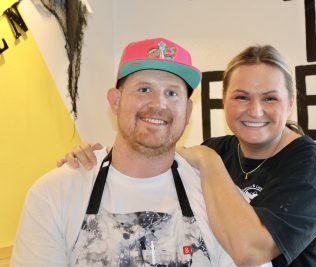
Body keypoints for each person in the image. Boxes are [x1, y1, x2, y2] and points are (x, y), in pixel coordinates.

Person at [58, 45, 316, 267]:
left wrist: (208, 162)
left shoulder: (312, 167)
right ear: (225, 101)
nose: (255, 110)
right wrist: (94, 159)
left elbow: (249, 252)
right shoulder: (218, 148)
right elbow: (152, 158)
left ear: (291, 103)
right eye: (241, 97)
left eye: (270, 98)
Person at [11, 37, 253, 267]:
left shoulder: (218, 199)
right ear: (115, 100)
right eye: (144, 89)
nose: (159, 104)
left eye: (172, 93)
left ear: (188, 111)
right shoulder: (56, 193)